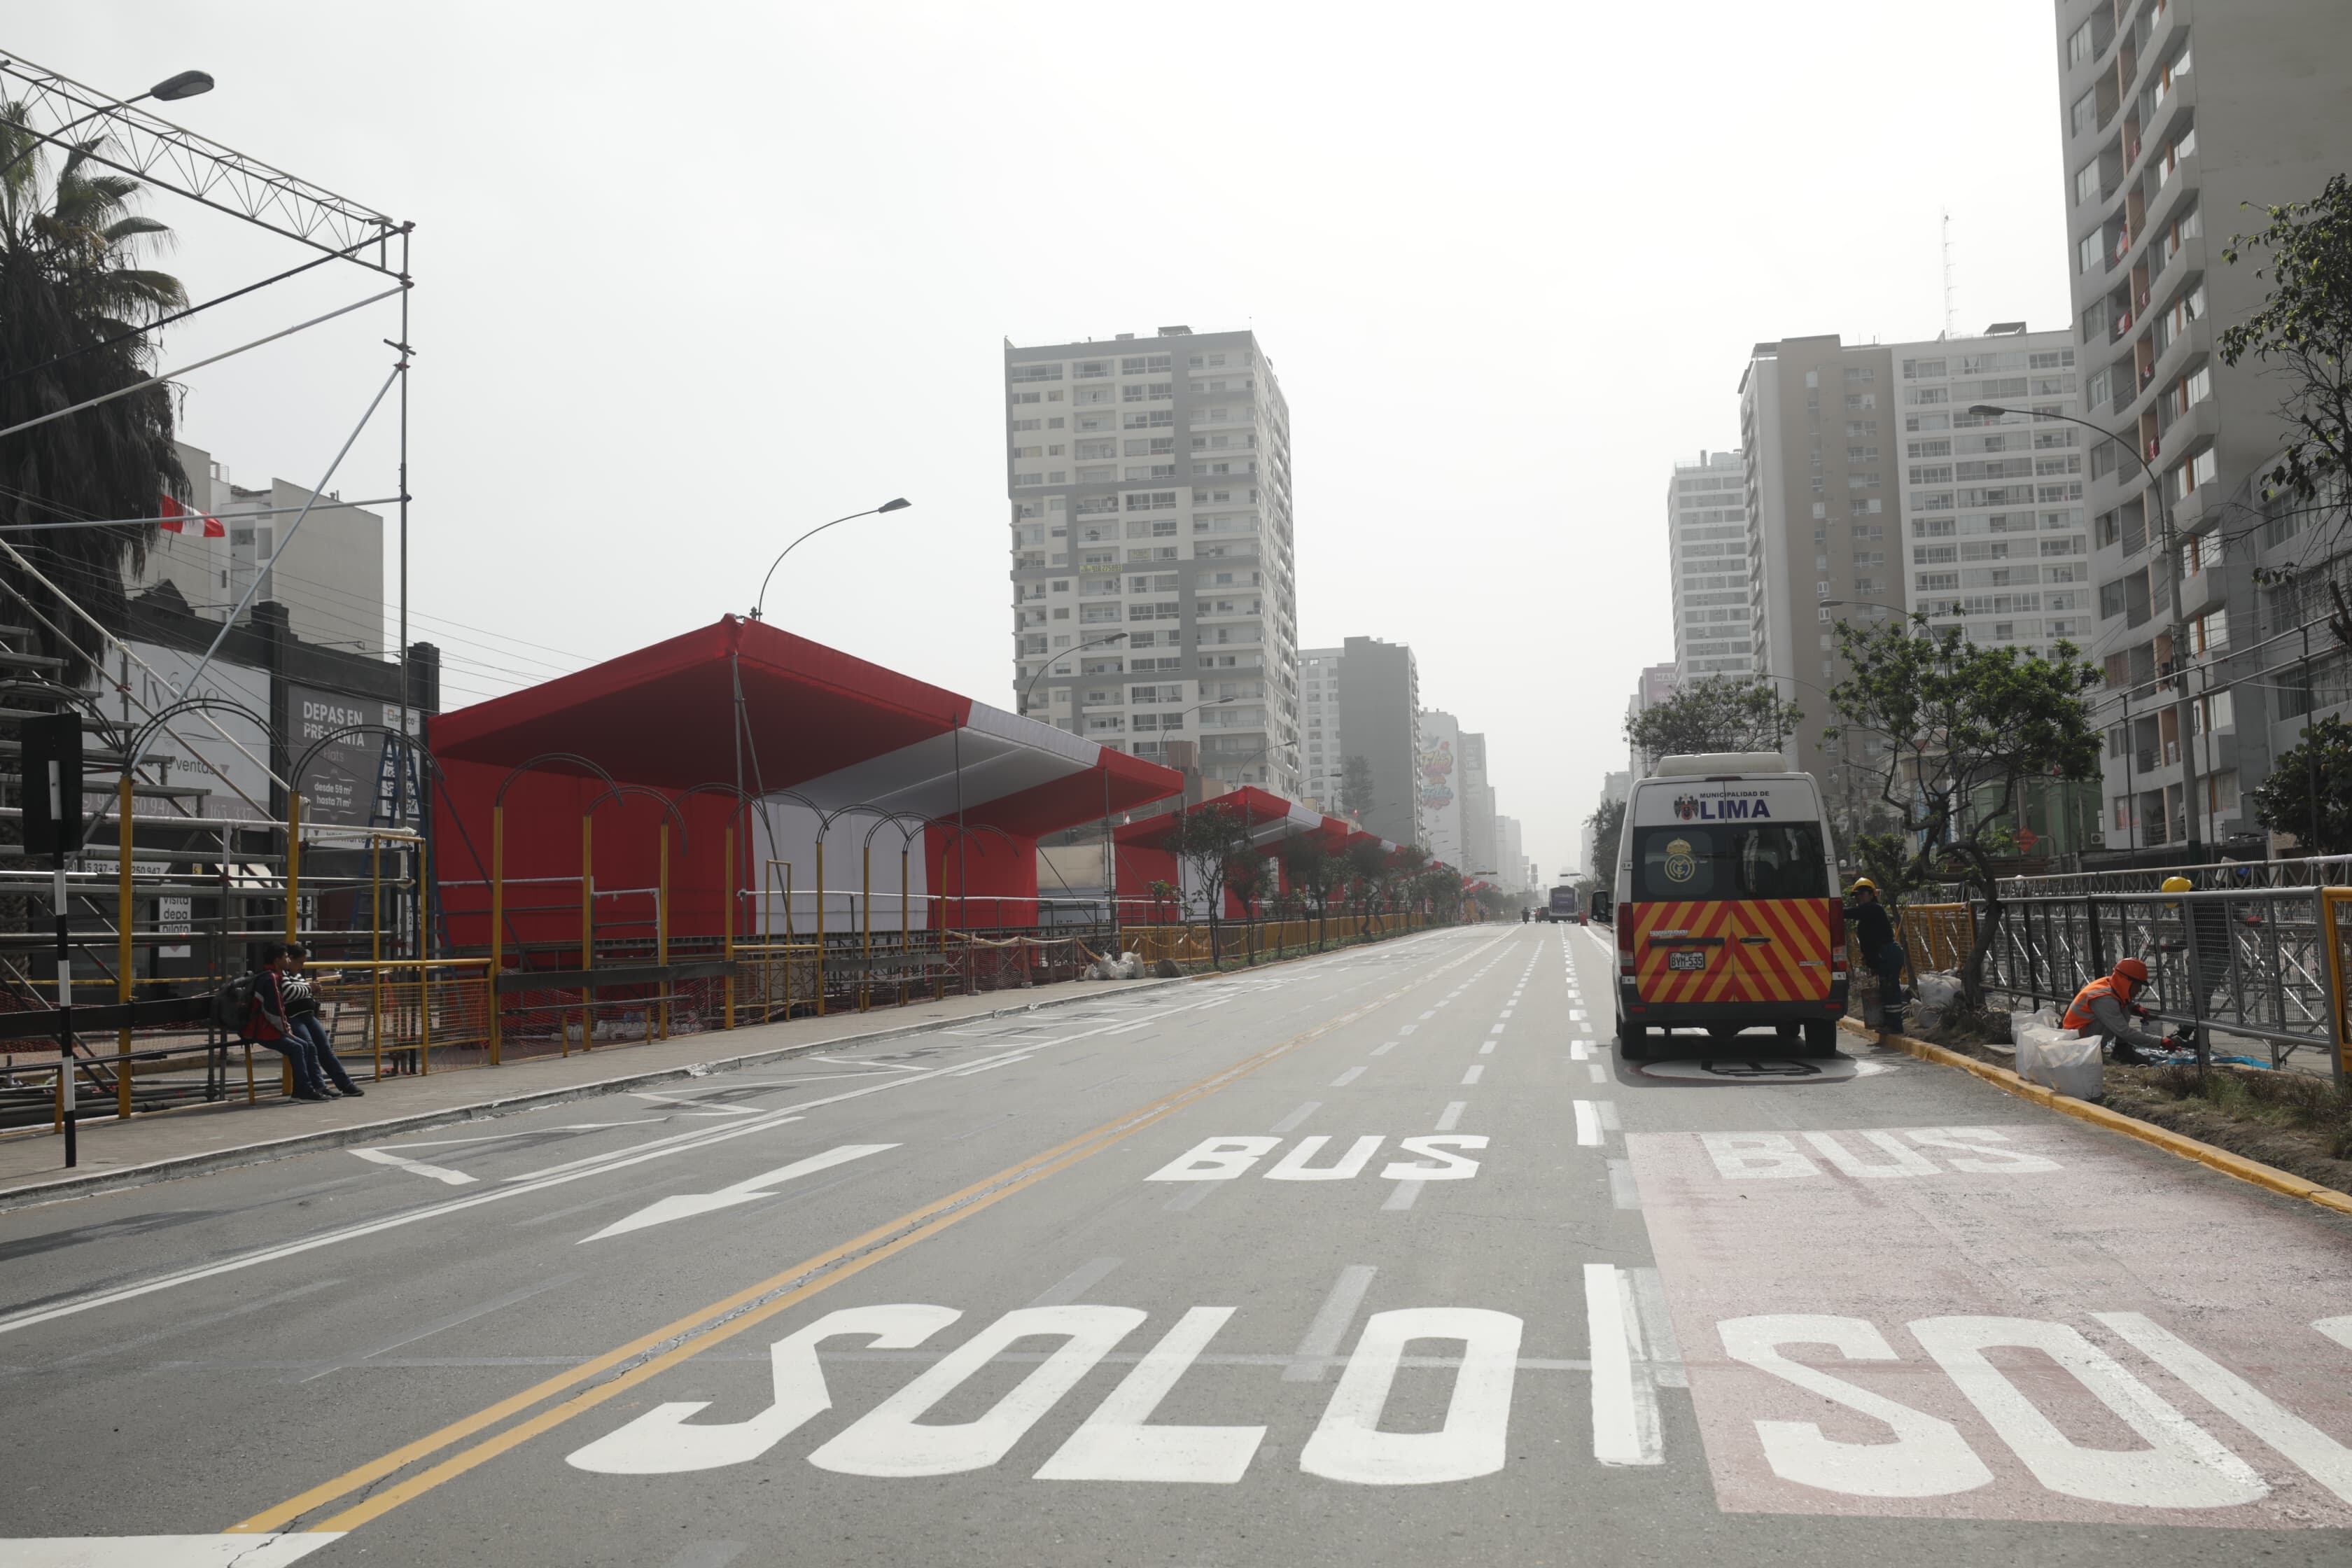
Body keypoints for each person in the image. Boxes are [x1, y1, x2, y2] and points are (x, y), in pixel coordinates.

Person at [244, 943, 332, 1101]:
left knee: (304, 1045)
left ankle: (305, 1089)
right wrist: (287, 1031)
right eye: (286, 957)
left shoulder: (273, 976)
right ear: (277, 960)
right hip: (263, 1030)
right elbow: (274, 1012)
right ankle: (303, 1090)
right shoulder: (271, 979)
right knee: (298, 1047)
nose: (289, 960)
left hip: (268, 1028)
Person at [2061, 956, 2178, 1065]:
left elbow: (2120, 999)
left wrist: (2134, 1007)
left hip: (2081, 1037)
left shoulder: (2110, 985)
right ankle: (2118, 1051)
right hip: (2077, 1046)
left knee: (2124, 1006)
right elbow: (2125, 1032)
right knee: (2121, 1012)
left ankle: (2121, 1049)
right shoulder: (2104, 999)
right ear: (2127, 982)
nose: (2140, 990)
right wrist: (2160, 1041)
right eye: (2138, 985)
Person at [284, 943, 363, 1097]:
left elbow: (300, 991)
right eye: (300, 962)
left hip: (308, 1016)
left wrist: (310, 990)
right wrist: (309, 988)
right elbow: (289, 992)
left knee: (325, 1049)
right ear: (290, 959)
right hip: (294, 1017)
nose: (302, 966)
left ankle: (345, 1084)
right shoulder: (283, 975)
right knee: (310, 1048)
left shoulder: (297, 975)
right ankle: (319, 1086)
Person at [1843, 878, 1906, 1028]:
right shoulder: (1867, 914)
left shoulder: (1873, 909)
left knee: (1890, 990)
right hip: (1884, 955)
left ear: (1872, 895)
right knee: (1886, 989)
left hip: (1888, 953)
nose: (1859, 897)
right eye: (1856, 895)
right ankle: (1889, 1022)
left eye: (1862, 894)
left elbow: (1851, 913)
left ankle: (1895, 1025)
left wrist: (1830, 908)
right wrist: (1871, 962)